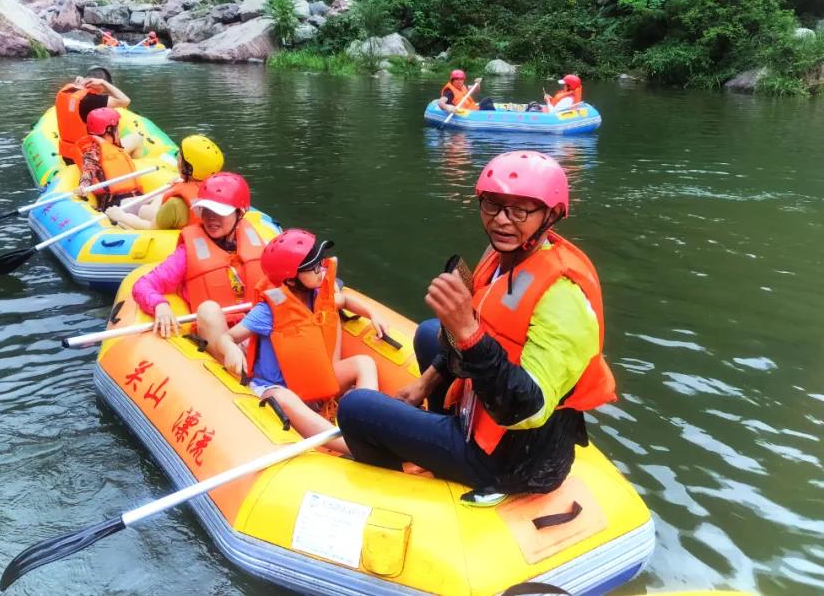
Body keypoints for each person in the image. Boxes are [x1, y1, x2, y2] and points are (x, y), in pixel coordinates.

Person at [337, 151, 616, 496]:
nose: (501, 221)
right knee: (428, 334)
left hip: (516, 460)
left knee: (355, 409)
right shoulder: (501, 256)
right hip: (485, 412)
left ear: (552, 214)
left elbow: (526, 410)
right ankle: (443, 433)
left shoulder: (563, 299)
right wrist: (426, 382)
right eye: (492, 205)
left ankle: (411, 482)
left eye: (519, 210)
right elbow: (484, 332)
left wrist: (468, 331)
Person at [212, 230, 386, 454]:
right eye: (314, 267)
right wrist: (230, 350)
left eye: (320, 263)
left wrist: (373, 313)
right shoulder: (269, 310)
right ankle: (353, 446)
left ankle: (365, 424)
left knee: (364, 362)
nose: (321, 269)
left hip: (312, 378)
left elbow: (345, 301)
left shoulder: (316, 296)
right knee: (282, 397)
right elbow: (228, 337)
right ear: (292, 279)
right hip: (276, 387)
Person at [131, 172, 267, 370]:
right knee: (209, 310)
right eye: (206, 211)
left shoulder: (255, 243)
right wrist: (159, 305)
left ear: (240, 212)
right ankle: (242, 374)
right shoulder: (187, 253)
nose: (211, 218)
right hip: (217, 335)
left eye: (220, 212)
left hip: (251, 329)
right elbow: (143, 285)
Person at [106, 135, 224, 230]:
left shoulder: (175, 204)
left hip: (170, 231)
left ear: (188, 168)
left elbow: (150, 227)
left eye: (180, 156)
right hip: (189, 225)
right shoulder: (220, 191)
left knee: (142, 212)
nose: (178, 157)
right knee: (145, 210)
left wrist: (121, 216)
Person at [55, 66, 146, 163]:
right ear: (96, 83)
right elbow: (125, 101)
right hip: (88, 158)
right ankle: (134, 168)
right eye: (103, 88)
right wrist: (104, 83)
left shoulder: (66, 92)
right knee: (138, 138)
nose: (102, 91)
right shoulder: (92, 100)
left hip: (69, 155)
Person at [76, 108, 153, 211]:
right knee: (149, 206)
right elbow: (88, 172)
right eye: (117, 127)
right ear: (109, 130)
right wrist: (83, 186)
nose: (119, 130)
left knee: (158, 200)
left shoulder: (115, 146)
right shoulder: (93, 153)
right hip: (114, 201)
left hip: (133, 195)